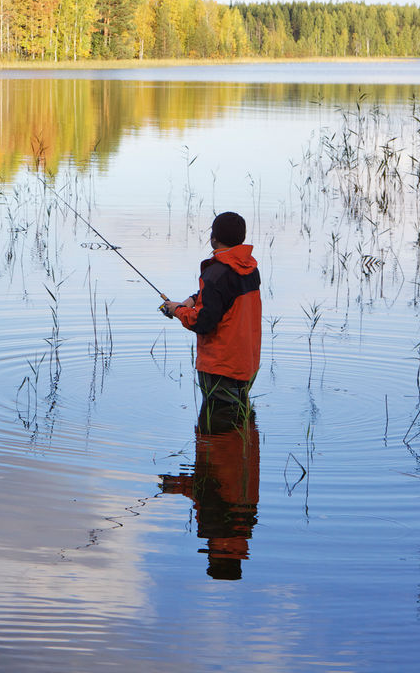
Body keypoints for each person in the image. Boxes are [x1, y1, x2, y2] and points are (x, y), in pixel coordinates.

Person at [159, 212, 261, 407]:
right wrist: (193, 299)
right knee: (241, 421)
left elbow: (203, 322)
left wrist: (177, 310)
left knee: (217, 425)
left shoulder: (214, 273)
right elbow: (226, 296)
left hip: (220, 367)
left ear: (214, 239)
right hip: (246, 363)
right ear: (242, 238)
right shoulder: (250, 269)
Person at [159, 402, 260, 580]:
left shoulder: (245, 521)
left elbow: (212, 489)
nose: (209, 551)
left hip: (241, 428)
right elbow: (208, 487)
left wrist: (179, 486)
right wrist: (176, 486)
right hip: (220, 435)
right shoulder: (218, 526)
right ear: (217, 553)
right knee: (220, 393)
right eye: (211, 556)